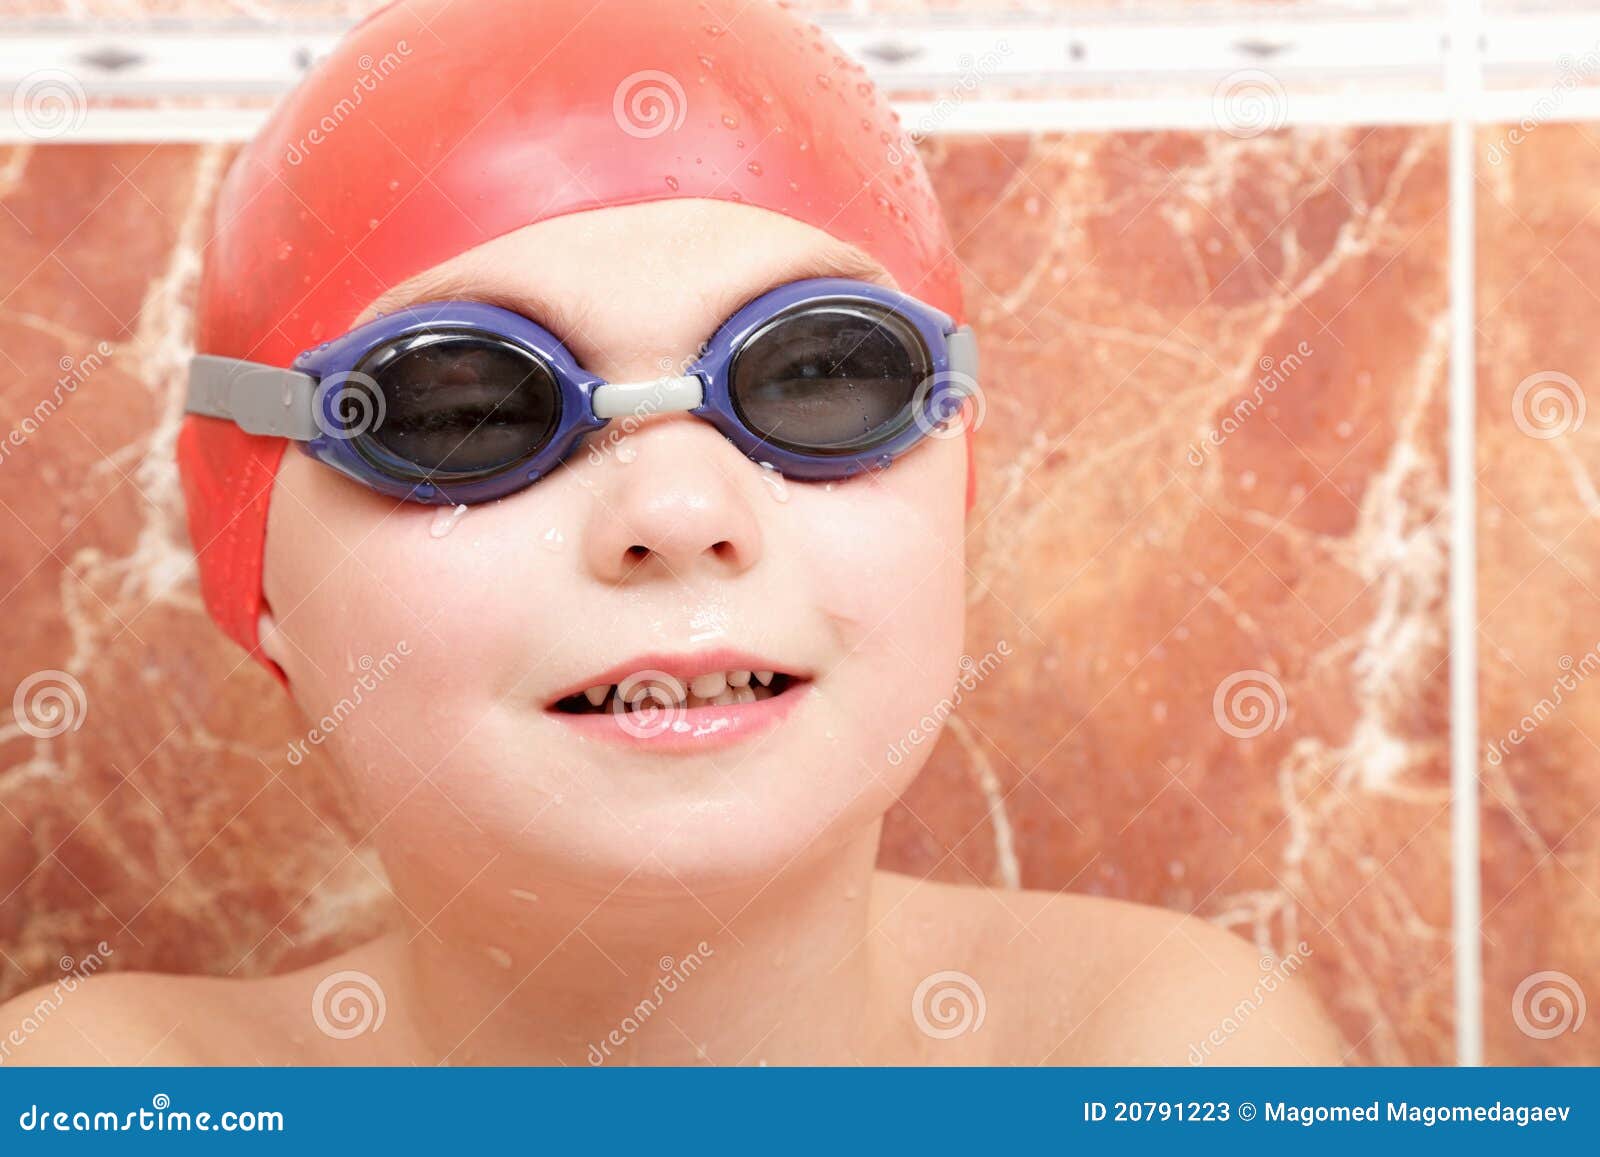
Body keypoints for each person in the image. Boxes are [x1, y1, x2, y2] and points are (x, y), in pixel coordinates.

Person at [1, 0, 1341, 1066]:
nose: (681, 513)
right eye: (466, 408)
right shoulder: (115, 1092)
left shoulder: (1168, 1062)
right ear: (255, 564)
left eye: (818, 376)